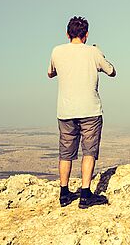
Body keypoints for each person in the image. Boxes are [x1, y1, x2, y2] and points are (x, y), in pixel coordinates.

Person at [48, 16, 116, 208]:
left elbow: (50, 73)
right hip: (90, 110)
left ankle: (64, 193)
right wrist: (100, 55)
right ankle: (85, 195)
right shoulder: (93, 52)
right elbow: (112, 71)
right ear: (86, 35)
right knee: (89, 151)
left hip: (65, 110)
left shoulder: (57, 51)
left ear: (67, 34)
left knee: (65, 153)